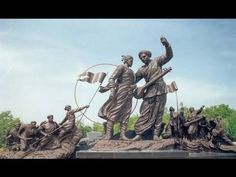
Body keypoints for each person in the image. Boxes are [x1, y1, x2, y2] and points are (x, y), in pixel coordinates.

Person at [132, 36, 173, 141]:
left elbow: (169, 56)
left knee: (159, 112)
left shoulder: (157, 61)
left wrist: (167, 45)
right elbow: (134, 80)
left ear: (148, 55)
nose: (142, 58)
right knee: (144, 112)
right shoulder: (142, 69)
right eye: (141, 58)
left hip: (160, 89)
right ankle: (140, 133)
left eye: (144, 56)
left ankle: (155, 134)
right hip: (149, 91)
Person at [98, 55, 136, 140]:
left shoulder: (132, 71)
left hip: (129, 93)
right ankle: (108, 134)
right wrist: (112, 91)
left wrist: (134, 86)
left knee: (126, 113)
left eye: (132, 60)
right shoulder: (121, 67)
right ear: (126, 60)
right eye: (130, 60)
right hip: (121, 91)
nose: (131, 62)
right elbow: (112, 79)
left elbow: (132, 82)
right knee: (115, 110)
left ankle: (122, 135)